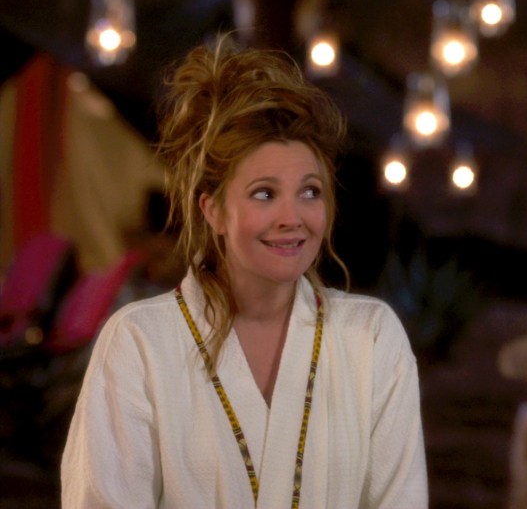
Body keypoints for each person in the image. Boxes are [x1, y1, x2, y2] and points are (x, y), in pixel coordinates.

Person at [61, 36, 428, 508]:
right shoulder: (139, 343)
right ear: (213, 211)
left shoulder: (371, 338)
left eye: (310, 192)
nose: (292, 217)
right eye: (264, 194)